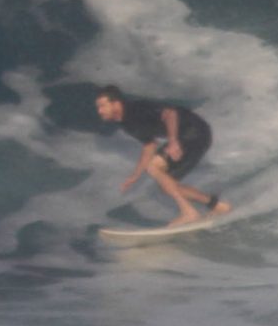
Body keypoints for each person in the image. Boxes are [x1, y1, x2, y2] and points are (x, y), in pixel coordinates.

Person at [94, 85, 231, 226]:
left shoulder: (136, 109)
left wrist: (173, 142)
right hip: (195, 136)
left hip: (193, 131)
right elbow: (149, 146)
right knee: (167, 185)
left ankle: (189, 213)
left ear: (116, 103)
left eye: (102, 106)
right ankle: (217, 206)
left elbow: (170, 114)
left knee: (154, 167)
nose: (99, 111)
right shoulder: (126, 123)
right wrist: (135, 175)